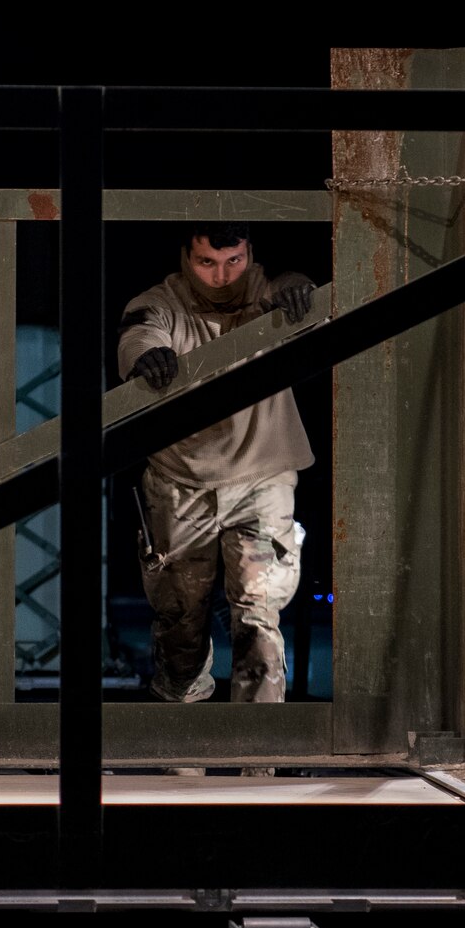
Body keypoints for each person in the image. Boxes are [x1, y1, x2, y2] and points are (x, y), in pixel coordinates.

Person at [118, 223, 316, 705]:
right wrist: (146, 358)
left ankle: (257, 762)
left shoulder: (268, 293)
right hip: (182, 484)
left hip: (260, 478)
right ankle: (182, 764)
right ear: (187, 258)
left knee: (258, 619)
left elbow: (289, 290)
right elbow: (139, 333)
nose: (222, 276)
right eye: (207, 262)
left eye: (234, 261)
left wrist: (299, 288)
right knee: (180, 627)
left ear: (250, 254)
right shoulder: (164, 302)